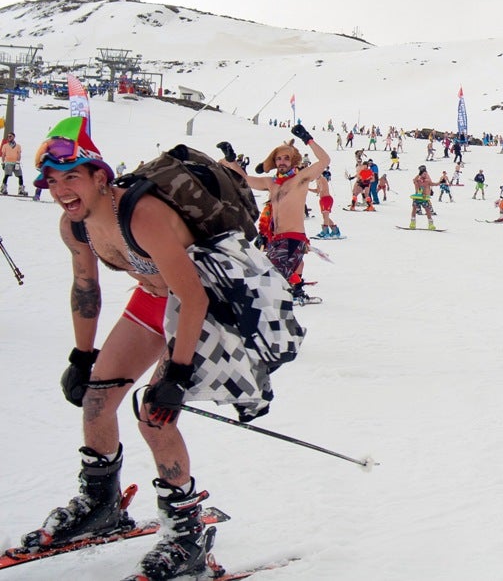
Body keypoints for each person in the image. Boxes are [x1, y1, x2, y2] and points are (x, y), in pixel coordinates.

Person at [24, 118, 302, 580]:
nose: (60, 190)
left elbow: (192, 297)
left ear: (100, 175)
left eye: (70, 177)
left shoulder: (141, 214)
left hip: (200, 301)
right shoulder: (75, 227)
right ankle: (100, 503)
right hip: (155, 297)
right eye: (52, 181)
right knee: (97, 402)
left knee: (154, 416)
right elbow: (85, 287)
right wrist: (81, 355)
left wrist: (175, 374)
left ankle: (185, 532)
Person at [228, 126, 330, 303]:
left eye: (286, 158)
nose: (282, 162)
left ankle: (281, 306)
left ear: (294, 160)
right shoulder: (271, 183)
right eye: (278, 159)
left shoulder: (300, 179)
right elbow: (243, 179)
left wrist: (308, 139)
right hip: (275, 240)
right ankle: (291, 294)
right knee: (268, 279)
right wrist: (230, 160)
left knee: (268, 281)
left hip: (293, 238)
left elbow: (324, 160)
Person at [310, 169, 340, 238]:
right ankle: (335, 230)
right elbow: (317, 191)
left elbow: (322, 189)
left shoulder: (323, 179)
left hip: (327, 199)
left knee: (326, 216)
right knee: (325, 217)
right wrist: (307, 189)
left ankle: (325, 231)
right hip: (322, 199)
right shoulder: (317, 180)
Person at [409, 165, 438, 230]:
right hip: (418, 197)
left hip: (425, 197)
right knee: (414, 209)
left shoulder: (427, 179)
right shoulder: (418, 180)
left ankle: (431, 224)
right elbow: (414, 180)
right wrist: (419, 174)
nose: (425, 175)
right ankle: (412, 223)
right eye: (424, 173)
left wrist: (439, 183)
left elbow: (432, 183)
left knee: (427, 210)